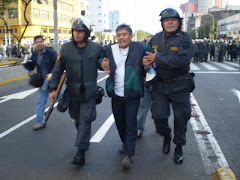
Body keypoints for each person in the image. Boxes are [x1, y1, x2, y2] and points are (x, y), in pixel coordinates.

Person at [142, 8, 194, 164]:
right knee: (158, 116)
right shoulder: (156, 38)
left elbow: (182, 60)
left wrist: (157, 58)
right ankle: (166, 135)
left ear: (179, 22)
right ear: (162, 23)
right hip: (160, 86)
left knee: (181, 118)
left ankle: (178, 147)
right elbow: (146, 55)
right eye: (166, 20)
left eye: (173, 19)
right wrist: (144, 62)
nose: (170, 22)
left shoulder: (185, 39)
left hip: (180, 85)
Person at [49, 17, 102, 167]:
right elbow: (57, 69)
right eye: (75, 31)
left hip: (90, 92)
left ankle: (80, 152)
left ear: (86, 33)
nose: (77, 34)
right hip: (72, 92)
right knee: (77, 119)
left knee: (85, 119)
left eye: (80, 31)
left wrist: (105, 63)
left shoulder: (96, 48)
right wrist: (53, 89)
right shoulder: (66, 49)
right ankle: (83, 139)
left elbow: (104, 61)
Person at [100, 24, 146, 169]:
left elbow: (153, 53)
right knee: (120, 122)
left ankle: (128, 154)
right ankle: (125, 142)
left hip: (133, 92)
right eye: (119, 35)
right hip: (116, 93)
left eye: (124, 34)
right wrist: (102, 62)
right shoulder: (110, 49)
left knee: (130, 122)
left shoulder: (139, 48)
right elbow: (98, 58)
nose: (121, 37)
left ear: (131, 36)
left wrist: (151, 59)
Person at [23, 35, 57, 130]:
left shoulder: (51, 53)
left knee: (62, 99)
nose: (39, 44)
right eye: (37, 42)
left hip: (52, 81)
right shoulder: (34, 54)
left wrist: (53, 74)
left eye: (41, 41)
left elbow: (59, 65)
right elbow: (32, 66)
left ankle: (76, 115)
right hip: (42, 82)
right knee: (40, 101)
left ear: (44, 42)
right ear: (34, 44)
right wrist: (26, 63)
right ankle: (40, 122)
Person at [137, 35, 153, 137]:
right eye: (149, 42)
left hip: (160, 84)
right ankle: (139, 128)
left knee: (159, 110)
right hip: (147, 83)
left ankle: (160, 125)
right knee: (143, 106)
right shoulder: (142, 53)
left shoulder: (161, 53)